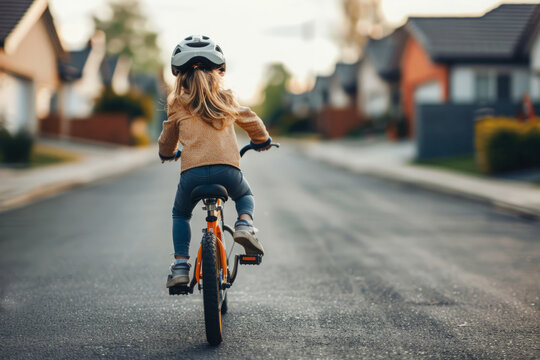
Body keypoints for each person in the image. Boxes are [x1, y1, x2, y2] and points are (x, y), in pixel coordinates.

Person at [159, 35, 271, 288]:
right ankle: (244, 224)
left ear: (180, 77)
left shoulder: (177, 104)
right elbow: (252, 120)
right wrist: (262, 140)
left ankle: (180, 266)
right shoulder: (227, 98)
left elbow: (167, 138)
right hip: (228, 172)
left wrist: (167, 153)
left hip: (192, 175)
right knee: (245, 196)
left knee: (180, 214)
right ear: (218, 73)